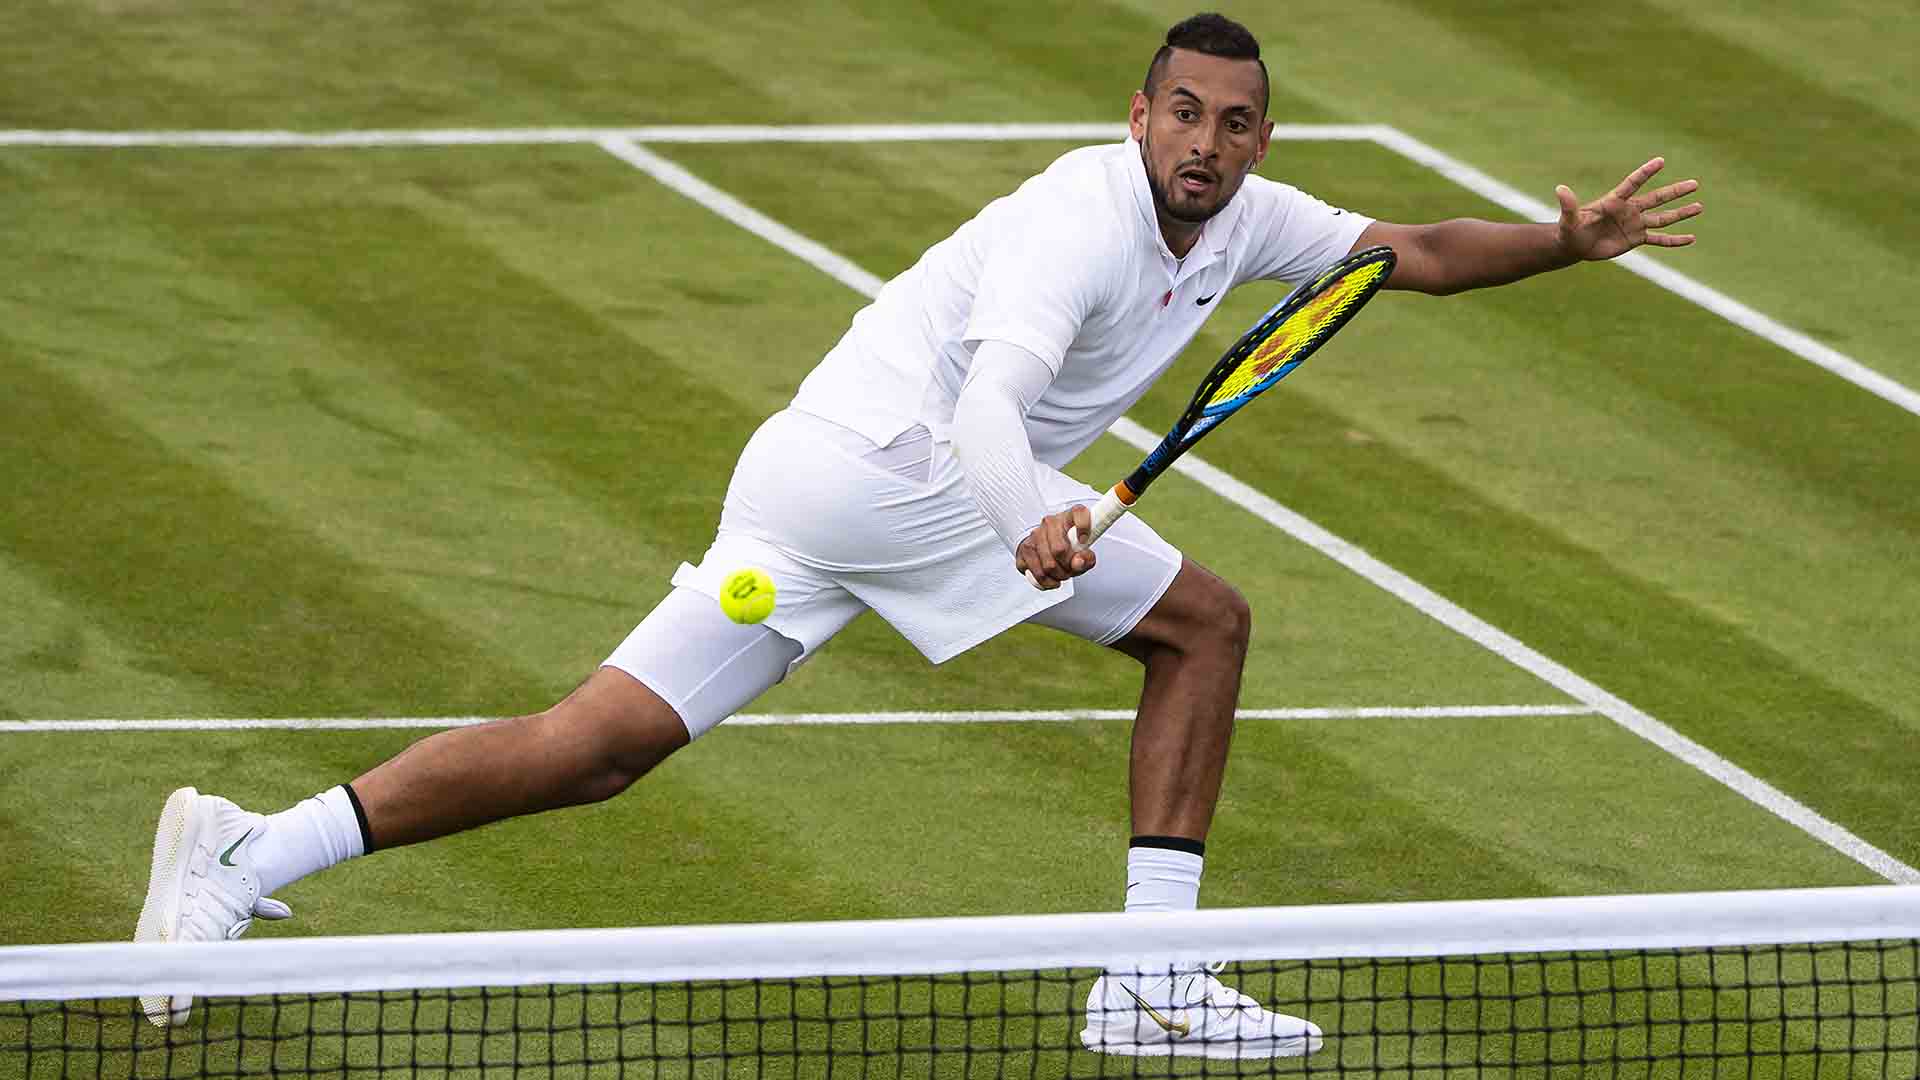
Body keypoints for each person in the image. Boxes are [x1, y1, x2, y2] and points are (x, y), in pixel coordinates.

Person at [132, 11, 1702, 1056]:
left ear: (1259, 143)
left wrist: (1562, 245)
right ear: (1138, 115)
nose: (1206, 143)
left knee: (598, 746)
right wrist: (1027, 522)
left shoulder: (1251, 221)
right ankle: (1150, 977)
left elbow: (1413, 250)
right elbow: (989, 410)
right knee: (1204, 626)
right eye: (1183, 113)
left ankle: (251, 850)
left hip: (809, 480)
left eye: (1235, 124)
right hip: (902, 468)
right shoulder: (1078, 223)